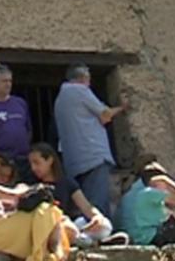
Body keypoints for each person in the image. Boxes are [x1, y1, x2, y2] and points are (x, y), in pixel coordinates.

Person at [0, 151, 69, 261]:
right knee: (46, 210)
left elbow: (13, 203)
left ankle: (51, 255)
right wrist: (26, 188)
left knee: (48, 212)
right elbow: (13, 196)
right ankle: (47, 255)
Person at [53, 63, 127, 217]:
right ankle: (101, 236)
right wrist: (122, 107)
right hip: (93, 155)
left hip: (74, 160)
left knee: (84, 205)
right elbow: (105, 115)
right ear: (84, 78)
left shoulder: (60, 98)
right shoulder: (79, 90)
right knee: (98, 205)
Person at [28, 143, 123, 247]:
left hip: (72, 225)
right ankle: (93, 243)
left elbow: (86, 206)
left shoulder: (67, 182)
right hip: (53, 227)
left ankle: (84, 239)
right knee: (64, 229)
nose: (33, 168)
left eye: (37, 163)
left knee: (105, 225)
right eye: (31, 164)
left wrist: (96, 217)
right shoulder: (35, 187)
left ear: (50, 160)